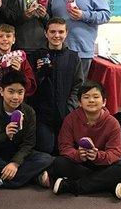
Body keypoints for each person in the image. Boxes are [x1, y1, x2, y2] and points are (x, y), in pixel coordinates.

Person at [53, 81, 121, 199]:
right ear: (79, 102)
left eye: (96, 97)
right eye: (86, 97)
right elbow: (64, 147)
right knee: (59, 163)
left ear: (104, 102)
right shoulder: (70, 119)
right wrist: (78, 155)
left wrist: (98, 156)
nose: (91, 100)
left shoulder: (112, 123)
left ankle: (71, 186)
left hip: (102, 164)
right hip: (80, 162)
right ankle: (108, 184)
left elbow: (116, 152)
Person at [0, 71, 53, 191]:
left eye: (20, 92)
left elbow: (29, 144)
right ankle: (32, 177)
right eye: (11, 92)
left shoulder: (29, 112)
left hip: (20, 156)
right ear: (1, 91)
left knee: (46, 158)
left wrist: (15, 163)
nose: (16, 97)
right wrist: (5, 135)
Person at [49, 0, 111, 79]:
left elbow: (106, 15)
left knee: (78, 92)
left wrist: (83, 15)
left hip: (81, 52)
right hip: (57, 51)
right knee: (57, 89)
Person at [29, 18, 83, 155]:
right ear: (46, 33)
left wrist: (70, 108)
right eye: (52, 31)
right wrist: (39, 74)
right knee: (45, 149)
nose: (56, 35)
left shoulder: (73, 57)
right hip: (42, 115)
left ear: (66, 33)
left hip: (65, 113)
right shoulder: (35, 56)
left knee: (63, 150)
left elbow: (78, 86)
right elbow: (29, 86)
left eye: (60, 32)